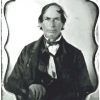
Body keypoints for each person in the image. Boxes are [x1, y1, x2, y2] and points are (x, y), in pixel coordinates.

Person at [4, 2, 95, 100]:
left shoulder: (75, 54)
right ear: (40, 23)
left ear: (63, 23)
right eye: (47, 19)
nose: (52, 25)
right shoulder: (27, 51)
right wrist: (28, 87)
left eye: (56, 19)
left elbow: (86, 89)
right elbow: (11, 83)